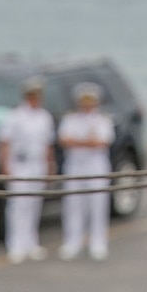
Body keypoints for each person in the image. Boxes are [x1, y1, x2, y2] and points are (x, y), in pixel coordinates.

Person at [0, 76, 54, 264]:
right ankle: (15, 245)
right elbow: (5, 143)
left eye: (37, 95)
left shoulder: (44, 117)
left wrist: (49, 166)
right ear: (26, 95)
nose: (35, 98)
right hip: (19, 164)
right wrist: (5, 166)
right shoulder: (15, 116)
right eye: (32, 95)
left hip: (37, 164)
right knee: (18, 206)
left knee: (34, 204)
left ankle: (31, 242)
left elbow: (48, 145)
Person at [57, 82, 115, 261]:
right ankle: (72, 241)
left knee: (97, 205)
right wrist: (86, 142)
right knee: (73, 204)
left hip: (96, 166)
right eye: (84, 101)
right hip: (75, 165)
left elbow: (103, 142)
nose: (87, 104)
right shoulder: (70, 119)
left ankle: (98, 242)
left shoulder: (103, 120)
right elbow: (64, 141)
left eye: (90, 101)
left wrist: (79, 142)